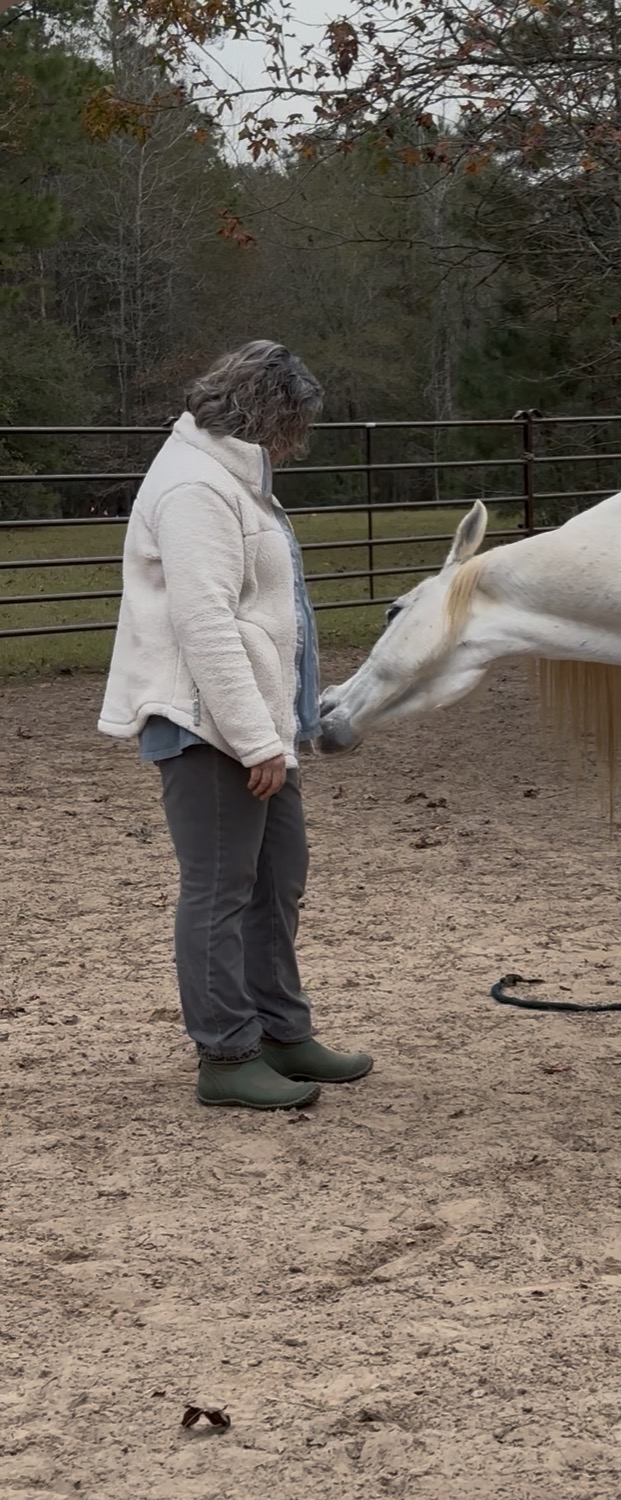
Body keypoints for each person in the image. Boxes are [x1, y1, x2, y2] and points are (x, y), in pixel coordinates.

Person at [99, 340, 373, 1110]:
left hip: (253, 721)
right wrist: (257, 740)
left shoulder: (234, 479)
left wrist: (278, 729)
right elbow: (205, 623)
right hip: (207, 725)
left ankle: (283, 1032)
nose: (297, 441)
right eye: (296, 424)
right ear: (270, 416)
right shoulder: (195, 488)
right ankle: (225, 1053)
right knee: (220, 889)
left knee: (276, 882)